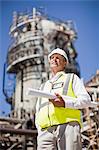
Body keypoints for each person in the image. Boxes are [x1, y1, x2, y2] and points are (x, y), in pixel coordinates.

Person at [35, 48, 91, 150]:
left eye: (58, 58)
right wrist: (39, 130)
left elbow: (86, 100)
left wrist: (65, 103)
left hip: (68, 127)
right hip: (45, 132)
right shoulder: (43, 86)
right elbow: (38, 110)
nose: (54, 60)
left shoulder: (72, 78)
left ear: (65, 63)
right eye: (52, 58)